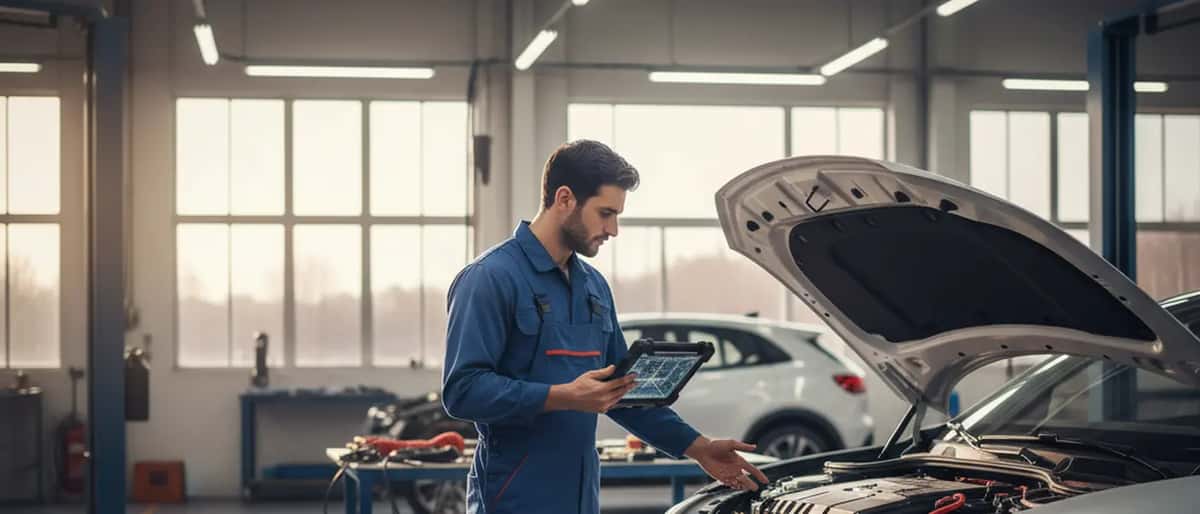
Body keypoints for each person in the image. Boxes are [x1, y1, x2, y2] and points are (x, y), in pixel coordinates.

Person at [442, 140, 768, 514]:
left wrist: (697, 446)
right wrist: (563, 396)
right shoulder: (489, 278)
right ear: (564, 199)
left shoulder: (593, 287)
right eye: (605, 213)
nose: (613, 229)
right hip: (512, 496)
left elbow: (623, 392)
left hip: (581, 497)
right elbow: (462, 390)